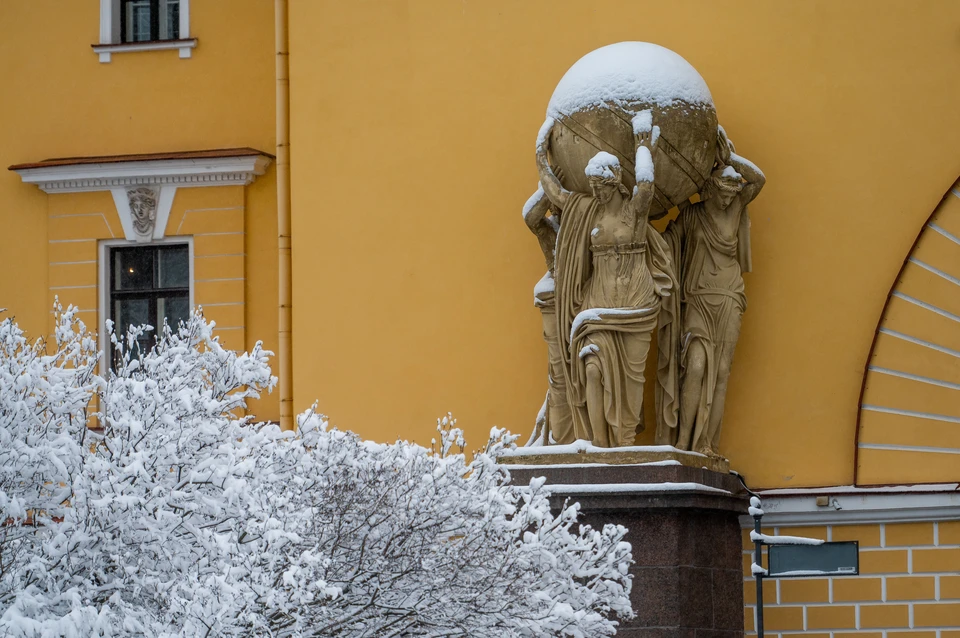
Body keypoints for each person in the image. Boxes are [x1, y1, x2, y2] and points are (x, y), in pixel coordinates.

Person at [536, 115, 675, 447]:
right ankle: (596, 447)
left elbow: (646, 187)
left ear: (615, 183)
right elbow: (554, 192)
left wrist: (642, 143)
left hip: (636, 302)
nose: (597, 192)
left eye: (602, 186)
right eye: (594, 187)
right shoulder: (588, 213)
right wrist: (541, 154)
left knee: (631, 384)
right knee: (592, 370)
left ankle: (623, 445)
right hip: (596, 303)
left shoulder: (633, 213)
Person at [656, 128, 765, 456]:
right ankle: (683, 443)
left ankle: (706, 445)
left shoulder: (735, 209)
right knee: (697, 367)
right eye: (724, 191)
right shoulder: (691, 214)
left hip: (730, 298)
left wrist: (727, 157)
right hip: (699, 300)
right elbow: (666, 244)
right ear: (711, 188)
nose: (730, 198)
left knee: (720, 374)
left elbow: (758, 180)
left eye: (734, 193)